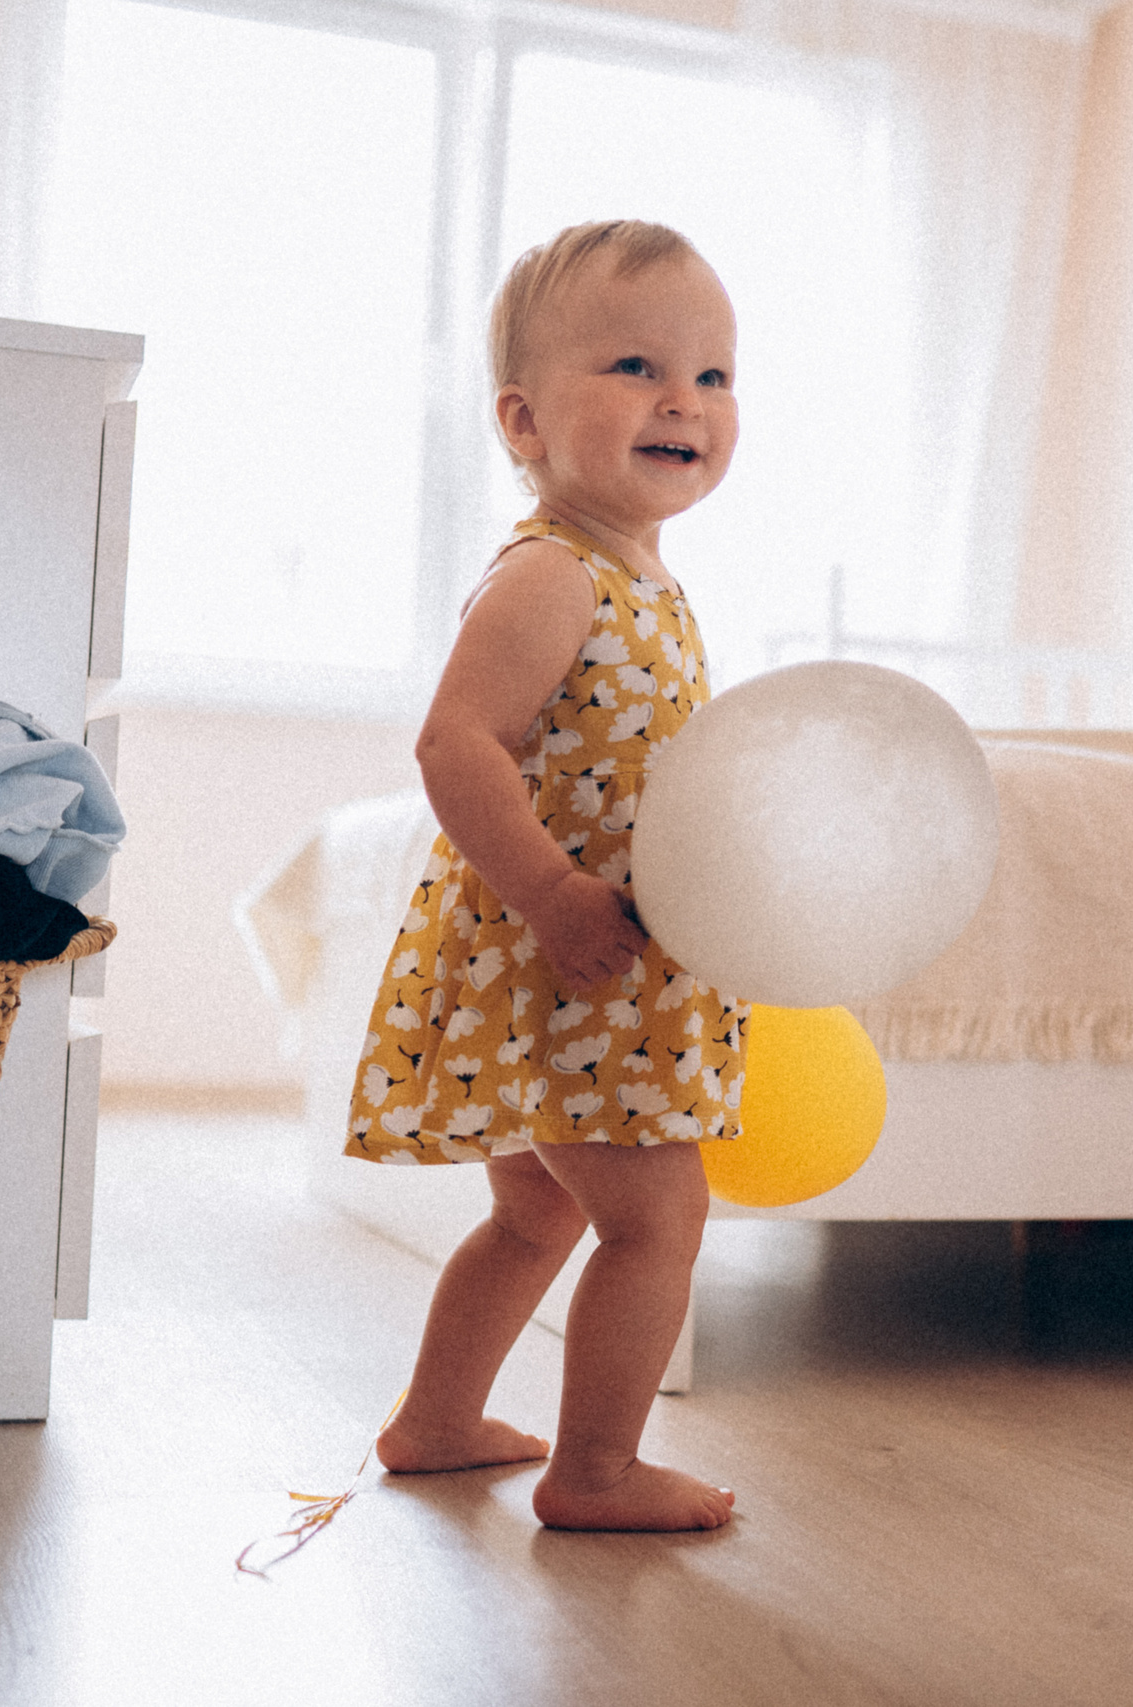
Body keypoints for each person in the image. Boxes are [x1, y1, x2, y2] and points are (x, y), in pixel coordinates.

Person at [344, 219, 745, 1532]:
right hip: (563, 952)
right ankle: (597, 1473)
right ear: (522, 419)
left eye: (714, 375)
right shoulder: (551, 575)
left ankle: (439, 1420)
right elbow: (455, 744)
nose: (683, 398)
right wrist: (552, 896)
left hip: (596, 965)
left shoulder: (652, 581)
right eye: (635, 365)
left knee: (534, 1212)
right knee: (655, 1216)